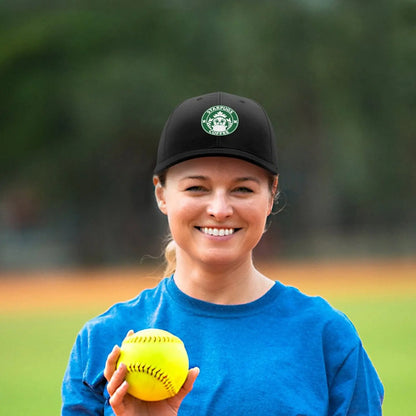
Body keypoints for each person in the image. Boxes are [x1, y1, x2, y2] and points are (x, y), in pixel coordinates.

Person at [61, 91, 384, 415]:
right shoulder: (104, 343)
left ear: (271, 196)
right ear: (161, 194)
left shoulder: (325, 336)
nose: (219, 209)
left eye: (242, 189)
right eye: (196, 188)